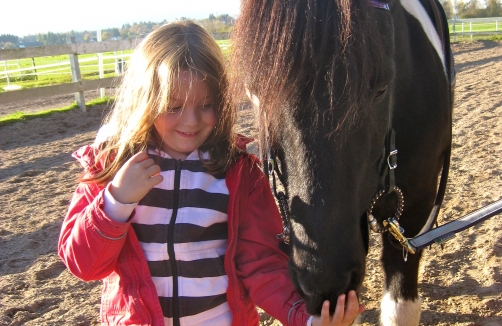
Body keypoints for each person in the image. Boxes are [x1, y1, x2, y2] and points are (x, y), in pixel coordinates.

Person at [58, 21, 364, 326]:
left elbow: (262, 264)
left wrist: (305, 319)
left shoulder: (238, 174)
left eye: (206, 104)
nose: (190, 121)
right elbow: (84, 266)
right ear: (145, 100)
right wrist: (116, 202)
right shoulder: (111, 167)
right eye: (173, 106)